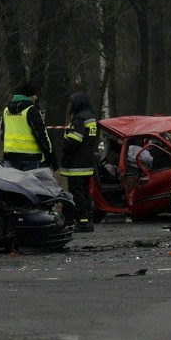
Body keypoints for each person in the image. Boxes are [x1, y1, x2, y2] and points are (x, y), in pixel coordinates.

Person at [60, 91, 98, 233]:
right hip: (87, 162)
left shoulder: (80, 118)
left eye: (72, 102)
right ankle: (85, 218)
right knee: (84, 191)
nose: (71, 105)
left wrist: (66, 152)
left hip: (77, 163)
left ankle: (82, 221)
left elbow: (75, 139)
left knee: (77, 192)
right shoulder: (90, 116)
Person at [1, 83, 58, 172]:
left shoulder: (6, 110)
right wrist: (50, 156)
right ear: (28, 96)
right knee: (30, 185)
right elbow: (41, 135)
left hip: (10, 157)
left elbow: (3, 134)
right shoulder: (31, 110)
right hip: (31, 158)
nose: (36, 97)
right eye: (34, 95)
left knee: (13, 185)